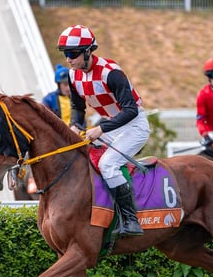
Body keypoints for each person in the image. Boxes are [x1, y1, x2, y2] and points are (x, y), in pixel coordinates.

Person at [57, 24, 150, 237]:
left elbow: (131, 110)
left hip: (134, 125)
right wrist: (76, 124)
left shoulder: (111, 72)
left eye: (72, 54)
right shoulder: (73, 75)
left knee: (108, 164)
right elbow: (77, 107)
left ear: (88, 51)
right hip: (110, 124)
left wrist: (101, 128)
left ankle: (130, 219)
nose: (68, 59)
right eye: (65, 54)